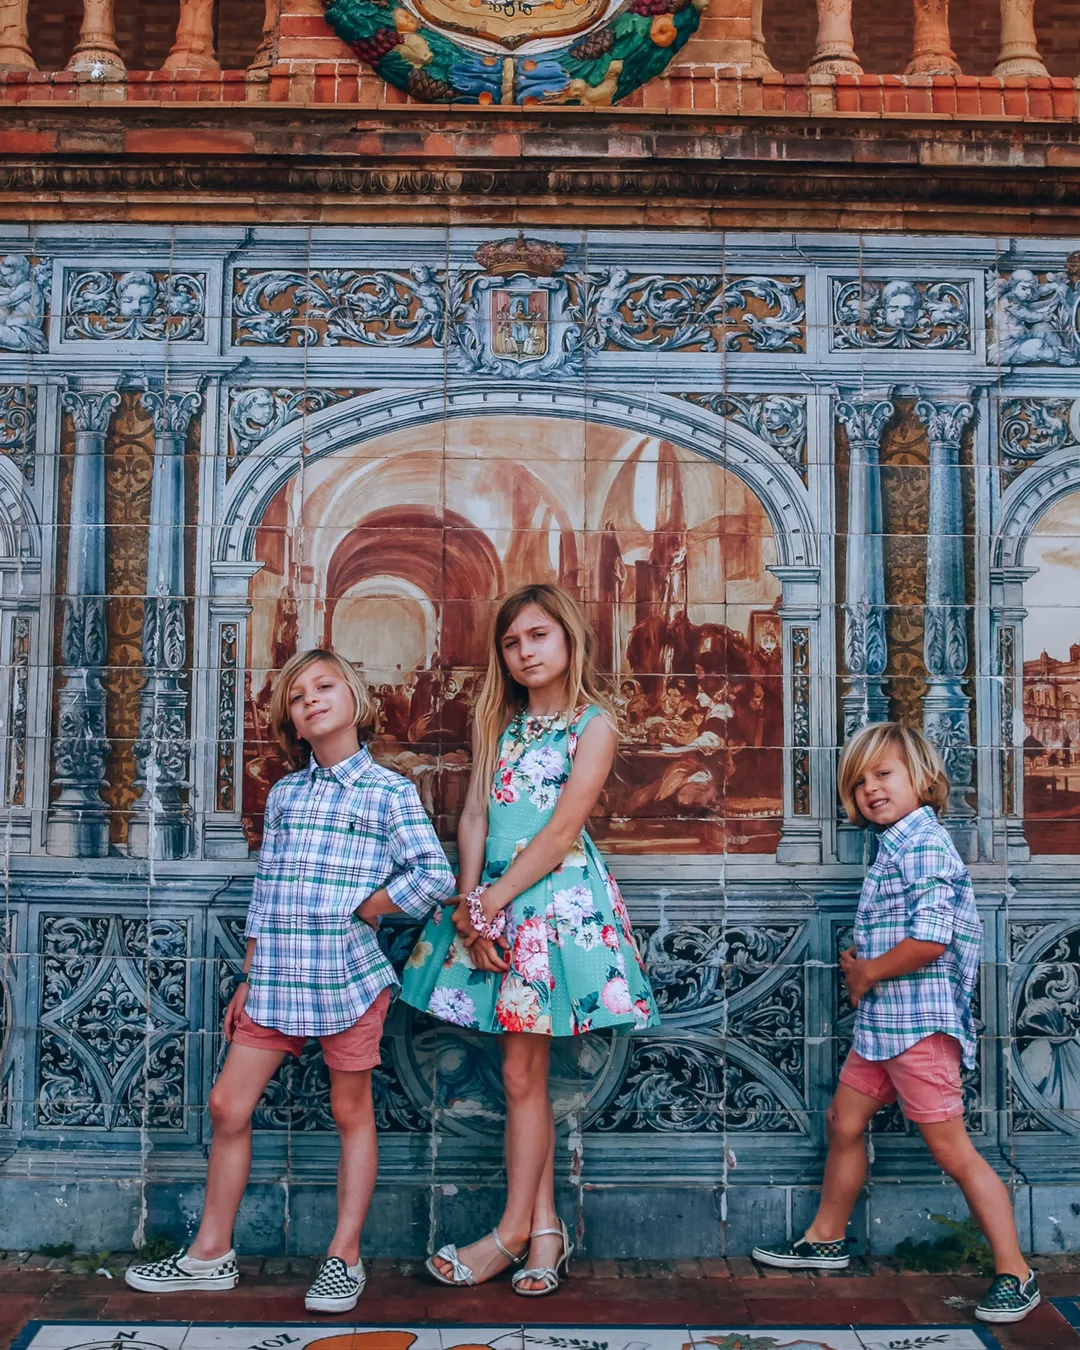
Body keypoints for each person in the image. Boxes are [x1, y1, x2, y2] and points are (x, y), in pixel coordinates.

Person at [125, 648, 455, 1312]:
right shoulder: (285, 796)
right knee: (228, 1106)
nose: (311, 700)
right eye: (297, 698)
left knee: (350, 1111)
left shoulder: (388, 791)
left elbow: (433, 876)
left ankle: (344, 1257)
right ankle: (210, 1254)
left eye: (324, 687)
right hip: (276, 973)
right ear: (293, 724)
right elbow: (268, 891)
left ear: (357, 701)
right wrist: (250, 975)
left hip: (348, 978)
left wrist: (367, 906)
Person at [400, 584, 659, 1296]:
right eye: (512, 643)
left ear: (569, 639)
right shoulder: (498, 723)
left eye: (538, 636)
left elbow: (562, 829)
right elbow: (474, 815)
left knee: (521, 1072)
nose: (524, 652)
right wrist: (470, 904)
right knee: (523, 1075)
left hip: (549, 904)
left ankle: (511, 1232)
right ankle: (543, 1230)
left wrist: (492, 904)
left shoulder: (593, 724)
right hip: (491, 901)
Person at [752, 722, 1039, 1326]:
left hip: (918, 1028)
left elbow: (931, 940)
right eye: (859, 783)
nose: (871, 790)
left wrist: (866, 973)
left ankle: (1016, 1271)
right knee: (844, 1120)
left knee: (953, 1150)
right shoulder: (896, 845)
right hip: (885, 1026)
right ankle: (826, 1237)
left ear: (921, 778)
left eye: (883, 774)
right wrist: (868, 969)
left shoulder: (925, 845)